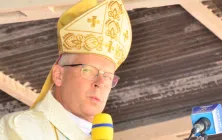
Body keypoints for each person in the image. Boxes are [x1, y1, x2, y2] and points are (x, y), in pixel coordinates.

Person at [0, 0, 132, 139]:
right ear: (58, 75)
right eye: (89, 70)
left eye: (108, 77)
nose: (100, 83)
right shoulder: (19, 129)